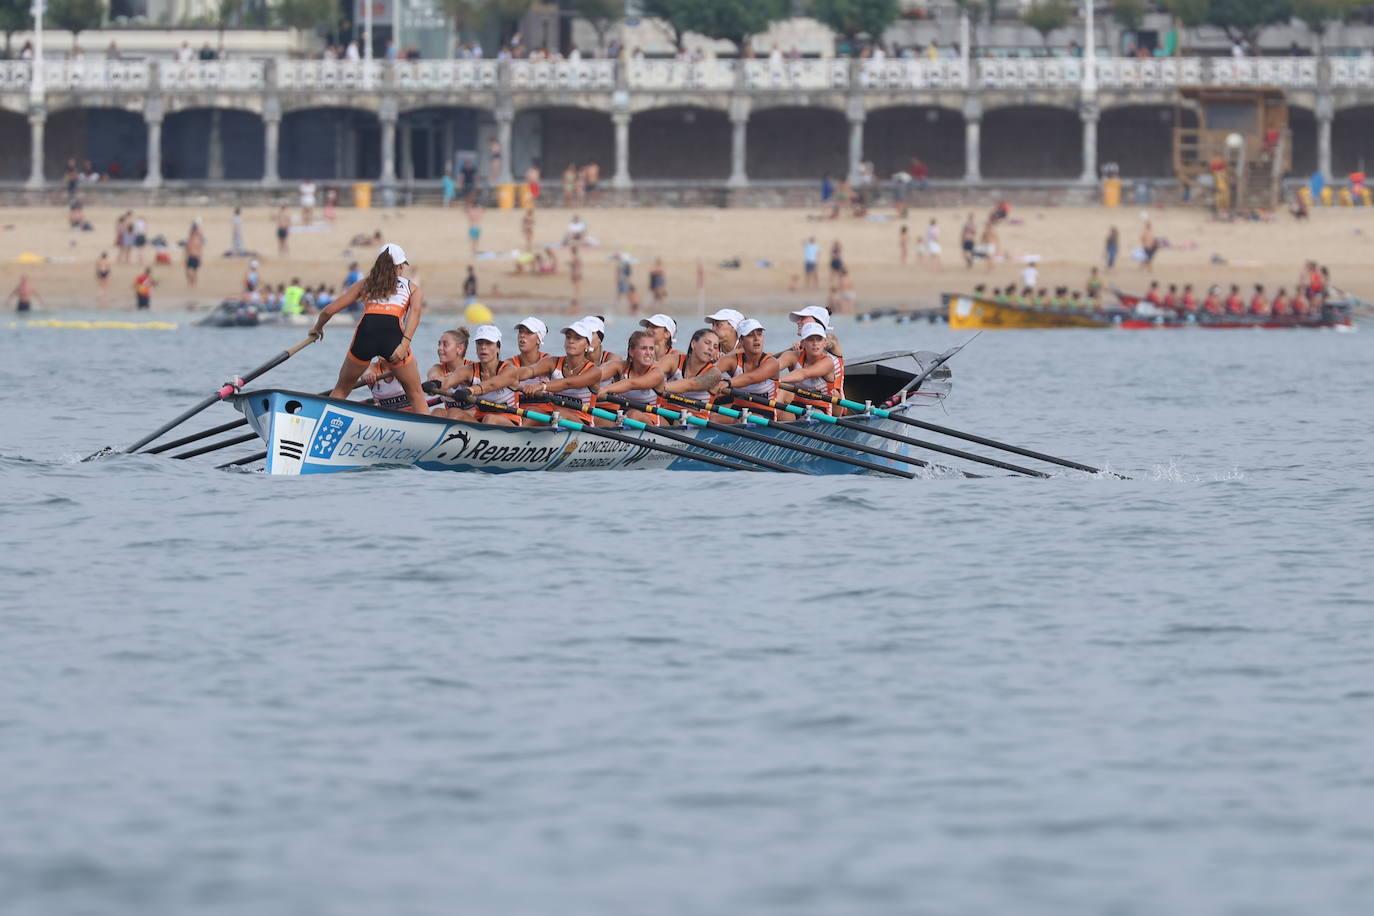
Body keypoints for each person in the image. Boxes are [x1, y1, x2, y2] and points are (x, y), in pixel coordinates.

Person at [309, 243, 429, 415]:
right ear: (400, 266)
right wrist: (404, 344)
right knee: (416, 394)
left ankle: (321, 427)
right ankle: (428, 435)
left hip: (366, 334)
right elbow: (415, 316)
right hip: (393, 338)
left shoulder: (364, 284)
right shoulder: (412, 288)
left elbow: (329, 310)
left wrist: (317, 328)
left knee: (342, 389)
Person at [515, 320, 603, 425]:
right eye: (568, 337)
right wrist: (508, 376)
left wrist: (541, 387)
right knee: (533, 411)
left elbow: (567, 383)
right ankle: (518, 438)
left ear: (587, 345)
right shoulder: (553, 362)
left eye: (577, 338)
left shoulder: (594, 371)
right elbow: (531, 370)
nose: (571, 341)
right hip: (554, 417)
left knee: (560, 413)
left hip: (581, 422)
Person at [435, 325, 521, 426]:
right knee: (451, 412)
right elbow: (449, 381)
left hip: (509, 422)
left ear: (498, 347)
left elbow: (491, 385)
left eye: (488, 343)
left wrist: (469, 390)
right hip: (480, 421)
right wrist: (435, 384)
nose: (483, 347)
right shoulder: (468, 369)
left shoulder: (509, 370)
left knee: (490, 419)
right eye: (479, 343)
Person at [598, 330, 667, 426]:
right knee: (597, 417)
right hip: (624, 417)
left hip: (652, 421)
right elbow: (594, 375)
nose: (649, 353)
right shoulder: (620, 367)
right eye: (643, 348)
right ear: (631, 351)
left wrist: (605, 389)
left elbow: (632, 383)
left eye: (651, 349)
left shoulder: (657, 373)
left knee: (633, 414)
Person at [720, 318, 781, 419]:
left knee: (748, 419)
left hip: (764, 414)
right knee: (711, 417)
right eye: (750, 335)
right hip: (737, 411)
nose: (756, 338)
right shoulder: (732, 360)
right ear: (741, 341)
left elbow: (751, 378)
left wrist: (727, 383)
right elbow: (710, 371)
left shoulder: (771, 362)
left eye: (759, 334)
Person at [778, 322, 838, 415]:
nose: (815, 343)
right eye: (810, 339)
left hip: (822, 408)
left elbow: (803, 373)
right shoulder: (791, 356)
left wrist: (778, 380)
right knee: (779, 393)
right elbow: (772, 368)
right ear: (803, 343)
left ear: (824, 343)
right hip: (797, 405)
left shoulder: (828, 362)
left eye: (819, 339)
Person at [185, 221, 204, 287]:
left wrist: (200, 258)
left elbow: (200, 249)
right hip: (191, 256)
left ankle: (193, 284)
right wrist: (185, 257)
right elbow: (187, 249)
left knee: (194, 272)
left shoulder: (197, 238)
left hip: (195, 256)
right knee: (188, 271)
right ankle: (191, 282)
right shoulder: (191, 238)